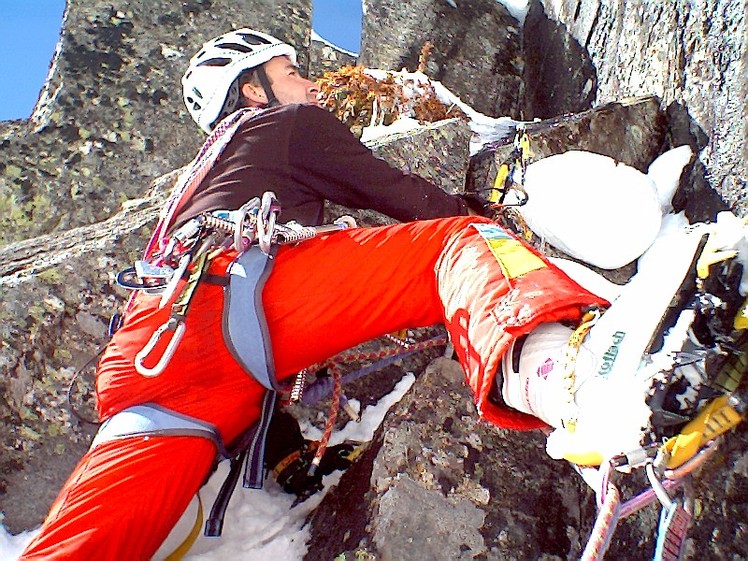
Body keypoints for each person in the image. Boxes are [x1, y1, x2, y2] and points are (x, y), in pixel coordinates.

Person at [19, 28, 739, 561]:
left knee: (80, 545)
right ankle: (583, 388)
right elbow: (395, 195)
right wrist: (482, 218)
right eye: (290, 72)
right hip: (231, 302)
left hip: (149, 362)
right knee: (454, 251)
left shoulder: (198, 183)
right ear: (253, 90)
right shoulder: (284, 123)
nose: (310, 84)